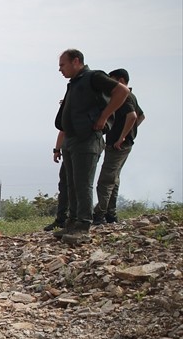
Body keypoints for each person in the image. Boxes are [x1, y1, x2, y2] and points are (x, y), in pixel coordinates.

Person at [52, 49, 128, 245]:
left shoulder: (94, 77)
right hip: (72, 138)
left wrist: (104, 117)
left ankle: (83, 227)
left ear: (76, 61)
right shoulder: (75, 82)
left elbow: (122, 91)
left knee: (83, 184)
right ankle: (72, 223)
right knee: (72, 184)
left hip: (87, 139)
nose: (60, 69)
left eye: (63, 65)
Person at [93, 68, 145, 225]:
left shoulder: (124, 97)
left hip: (118, 145)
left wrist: (122, 137)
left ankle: (99, 215)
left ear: (121, 81)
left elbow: (133, 116)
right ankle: (111, 213)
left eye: (113, 80)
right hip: (122, 144)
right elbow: (141, 116)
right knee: (114, 179)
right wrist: (130, 133)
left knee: (106, 180)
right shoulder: (131, 96)